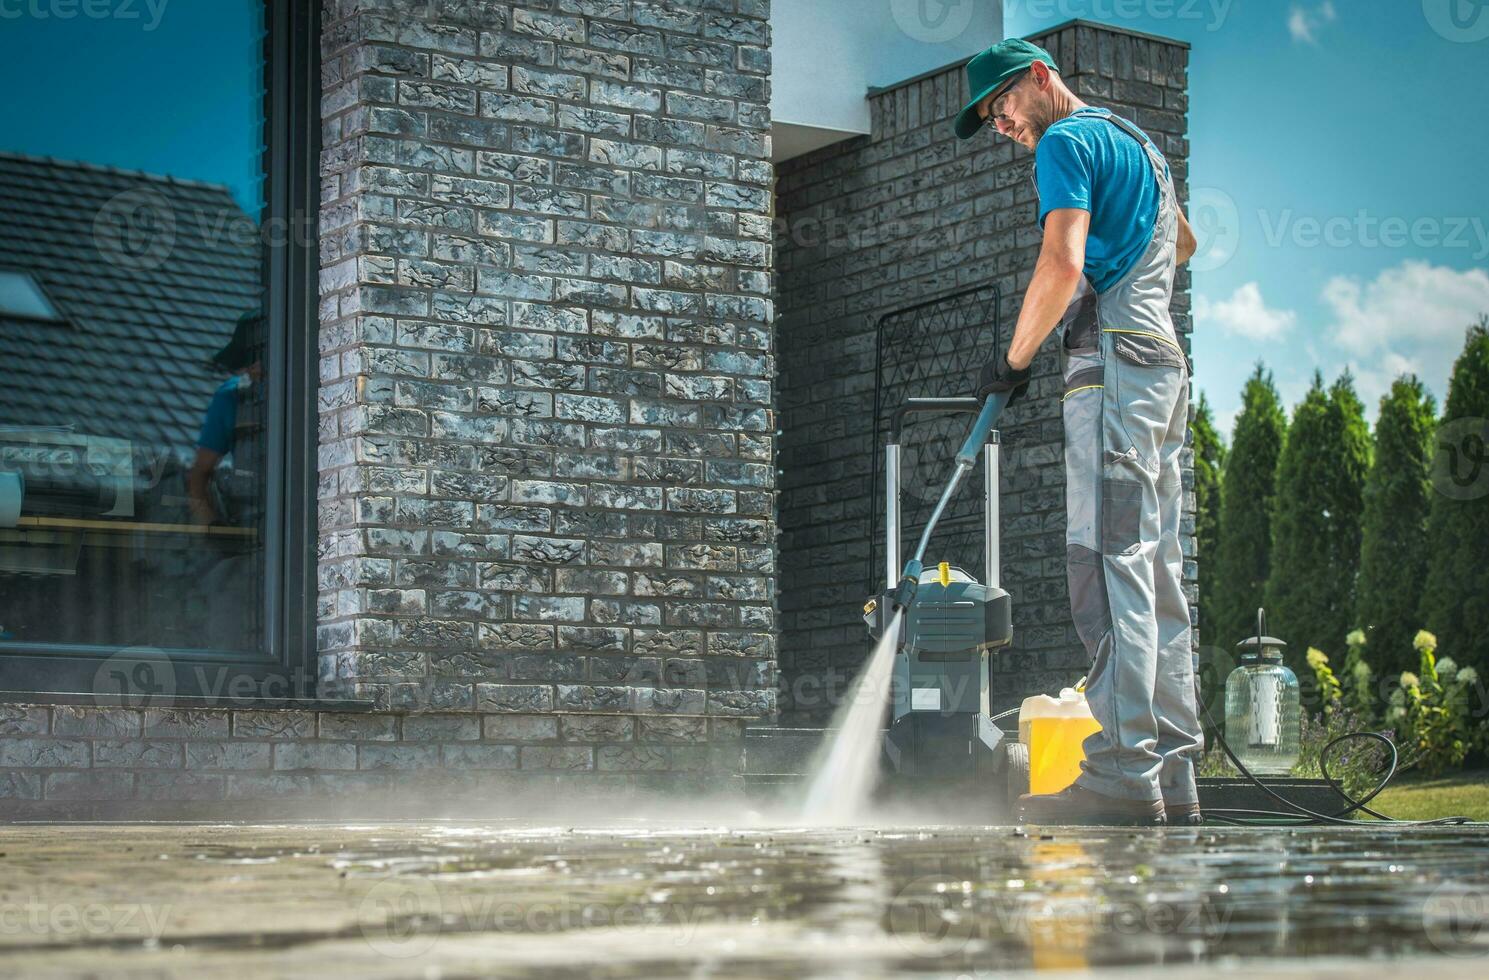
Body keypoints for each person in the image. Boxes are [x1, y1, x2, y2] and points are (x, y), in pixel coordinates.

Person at [955, 39, 1204, 825]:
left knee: (1106, 561)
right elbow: (1184, 245)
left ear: (1038, 75)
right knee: (1154, 568)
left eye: (1000, 104)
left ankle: (1122, 773)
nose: (1000, 124)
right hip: (1160, 364)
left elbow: (1059, 265)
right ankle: (1172, 772)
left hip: (1114, 370)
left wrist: (1011, 359)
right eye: (990, 118)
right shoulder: (1140, 146)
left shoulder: (1063, 141)